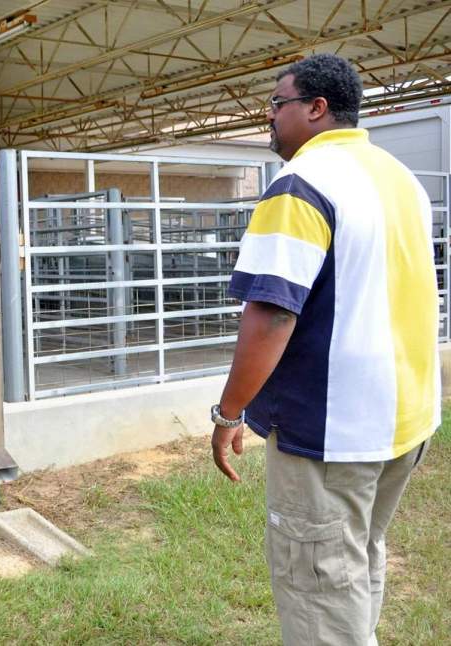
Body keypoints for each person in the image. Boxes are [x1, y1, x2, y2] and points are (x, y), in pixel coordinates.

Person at [210, 54, 439, 645]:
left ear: (315, 108)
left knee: (317, 588)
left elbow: (269, 314)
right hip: (404, 420)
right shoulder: (400, 179)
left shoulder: (301, 185)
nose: (269, 117)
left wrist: (229, 412)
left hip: (331, 432)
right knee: (358, 554)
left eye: (276, 104)